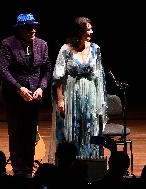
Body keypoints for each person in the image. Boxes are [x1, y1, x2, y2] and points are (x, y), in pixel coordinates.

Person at [0, 13, 52, 178]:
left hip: (34, 96)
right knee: (16, 132)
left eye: (34, 27)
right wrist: (19, 88)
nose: (32, 30)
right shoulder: (8, 44)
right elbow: (2, 70)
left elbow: (47, 69)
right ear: (20, 29)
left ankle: (27, 170)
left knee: (30, 133)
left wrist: (42, 87)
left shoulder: (42, 44)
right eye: (28, 27)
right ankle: (17, 169)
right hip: (14, 95)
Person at [50, 16, 107, 162]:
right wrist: (60, 99)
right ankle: (70, 165)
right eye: (88, 29)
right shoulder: (66, 49)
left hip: (90, 95)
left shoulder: (95, 49)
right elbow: (58, 76)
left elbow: (99, 76)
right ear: (79, 31)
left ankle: (91, 165)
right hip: (71, 95)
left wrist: (99, 100)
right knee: (72, 131)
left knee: (90, 129)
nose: (91, 32)